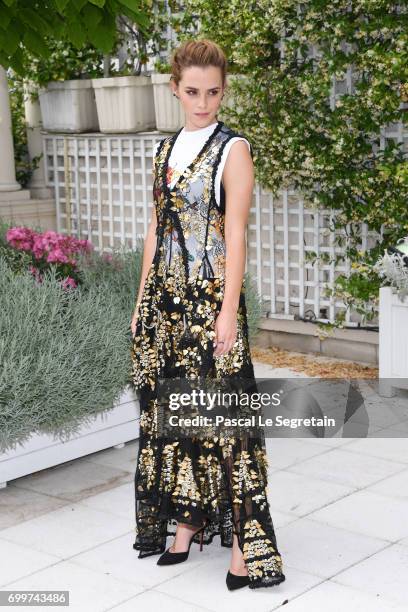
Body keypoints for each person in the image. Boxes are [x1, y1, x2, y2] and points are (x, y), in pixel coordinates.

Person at [130, 38, 285, 591]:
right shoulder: (163, 150)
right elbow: (155, 230)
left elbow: (237, 236)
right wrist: (140, 300)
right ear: (175, 89)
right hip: (165, 302)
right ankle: (189, 520)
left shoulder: (233, 148)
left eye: (213, 92)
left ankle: (246, 540)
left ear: (223, 90)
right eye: (192, 91)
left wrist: (227, 313)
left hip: (209, 302)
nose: (203, 102)